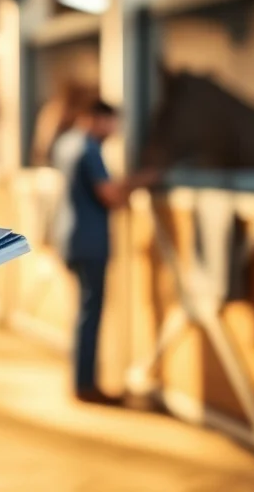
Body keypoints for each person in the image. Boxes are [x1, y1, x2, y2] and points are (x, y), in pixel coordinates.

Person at [50, 100, 157, 405]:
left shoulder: (65, 143)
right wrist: (144, 180)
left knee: (82, 311)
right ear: (95, 119)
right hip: (91, 241)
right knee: (90, 312)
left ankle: (81, 379)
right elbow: (109, 195)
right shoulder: (90, 149)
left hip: (70, 237)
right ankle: (86, 384)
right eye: (110, 123)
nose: (114, 130)